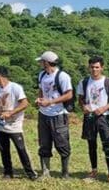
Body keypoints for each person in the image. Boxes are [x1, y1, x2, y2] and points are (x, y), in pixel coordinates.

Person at [77, 56, 109, 186]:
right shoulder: (84, 82)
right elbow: (80, 98)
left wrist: (104, 108)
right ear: (88, 67)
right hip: (89, 117)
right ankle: (94, 171)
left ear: (102, 67)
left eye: (97, 67)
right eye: (92, 67)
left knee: (107, 145)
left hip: (104, 117)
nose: (94, 69)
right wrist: (83, 106)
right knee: (91, 145)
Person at [0, 65, 38, 180]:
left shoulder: (15, 87)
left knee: (21, 148)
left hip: (14, 125)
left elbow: (25, 103)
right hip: (0, 125)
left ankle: (30, 173)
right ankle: (8, 172)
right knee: (4, 150)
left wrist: (11, 113)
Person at [35, 51, 73, 179]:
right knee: (44, 143)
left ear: (46, 62)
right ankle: (45, 172)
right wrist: (39, 99)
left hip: (58, 114)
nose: (40, 63)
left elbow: (69, 94)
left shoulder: (62, 76)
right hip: (43, 114)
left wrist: (50, 102)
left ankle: (65, 172)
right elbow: (41, 90)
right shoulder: (41, 75)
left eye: (42, 61)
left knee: (62, 143)